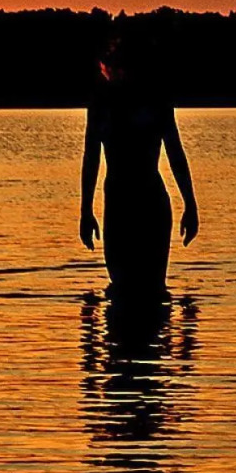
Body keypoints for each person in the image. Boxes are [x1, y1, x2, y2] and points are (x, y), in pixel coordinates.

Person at [80, 34, 198, 301]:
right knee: (121, 287)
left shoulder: (156, 101)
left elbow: (175, 154)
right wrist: (85, 211)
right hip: (118, 204)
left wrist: (190, 205)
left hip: (150, 203)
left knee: (153, 290)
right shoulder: (102, 104)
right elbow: (91, 159)